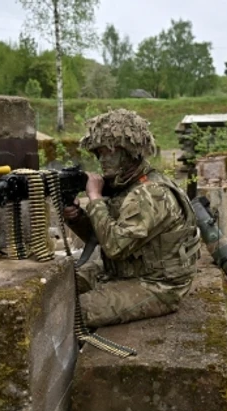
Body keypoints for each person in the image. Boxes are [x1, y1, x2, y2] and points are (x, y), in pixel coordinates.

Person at [62, 109, 201, 328]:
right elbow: (102, 236)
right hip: (124, 271)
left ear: (130, 152)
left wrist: (95, 198)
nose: (103, 160)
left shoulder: (151, 193)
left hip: (159, 286)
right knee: (58, 286)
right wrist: (77, 218)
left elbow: (115, 246)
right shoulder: (124, 184)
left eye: (109, 151)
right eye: (99, 153)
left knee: (72, 312)